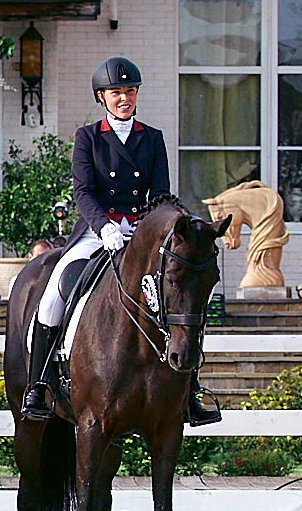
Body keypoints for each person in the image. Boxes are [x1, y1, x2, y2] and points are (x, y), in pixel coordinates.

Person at [19, 58, 223, 428]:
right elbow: (83, 191)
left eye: (130, 91)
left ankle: (190, 391)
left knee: (178, 298)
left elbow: (160, 195)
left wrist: (147, 228)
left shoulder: (152, 138)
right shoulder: (88, 137)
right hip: (97, 230)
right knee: (54, 293)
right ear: (102, 97)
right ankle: (38, 385)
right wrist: (105, 227)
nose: (125, 98)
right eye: (116, 93)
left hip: (141, 235)